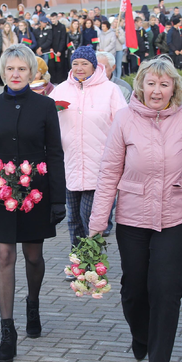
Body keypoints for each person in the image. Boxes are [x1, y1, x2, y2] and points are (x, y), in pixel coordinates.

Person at [88, 56, 182, 362]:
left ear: (174, 89)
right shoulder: (124, 118)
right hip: (133, 217)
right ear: (140, 86)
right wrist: (98, 222)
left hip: (176, 216)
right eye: (151, 83)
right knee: (134, 290)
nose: (156, 90)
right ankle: (141, 335)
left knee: (165, 289)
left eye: (164, 84)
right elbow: (110, 170)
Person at [0, 44, 66, 362]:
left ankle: (34, 302)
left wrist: (58, 199)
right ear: (3, 72)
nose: (15, 74)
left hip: (35, 193)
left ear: (32, 72)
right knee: (4, 255)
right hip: (1, 194)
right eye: (10, 69)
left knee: (33, 255)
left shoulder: (45, 106)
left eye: (21, 69)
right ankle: (7, 330)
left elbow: (54, 153)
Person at [49, 46, 127, 246]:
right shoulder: (61, 89)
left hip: (99, 167)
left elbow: (123, 124)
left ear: (94, 66)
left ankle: (92, 266)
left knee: (90, 219)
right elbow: (46, 122)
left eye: (84, 63)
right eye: (75, 63)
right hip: (70, 165)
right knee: (73, 220)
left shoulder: (110, 90)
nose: (79, 68)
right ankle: (78, 265)